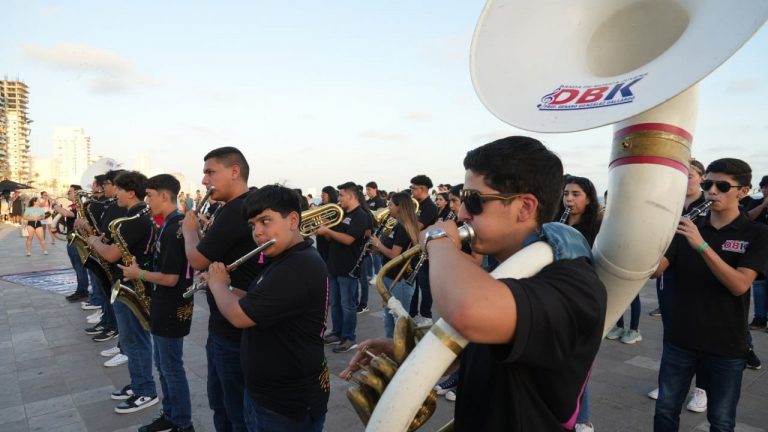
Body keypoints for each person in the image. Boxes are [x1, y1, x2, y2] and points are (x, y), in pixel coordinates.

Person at [343, 136, 607, 430]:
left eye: (473, 200)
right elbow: (484, 346)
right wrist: (410, 352)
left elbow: (469, 311)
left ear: (525, 207)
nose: (461, 213)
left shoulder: (573, 283)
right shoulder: (503, 269)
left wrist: (437, 239)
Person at [652, 158, 768, 431]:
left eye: (722, 185)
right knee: (666, 410)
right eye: (707, 184)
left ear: (743, 191)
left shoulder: (757, 233)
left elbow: (740, 284)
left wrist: (702, 246)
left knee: (721, 418)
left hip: (725, 345)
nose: (712, 191)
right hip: (680, 338)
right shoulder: (689, 227)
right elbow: (655, 271)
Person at [207, 185, 329, 432]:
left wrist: (218, 286)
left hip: (285, 404)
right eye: (253, 225)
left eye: (265, 221)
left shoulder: (297, 265)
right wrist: (226, 286)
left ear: (293, 220)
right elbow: (256, 300)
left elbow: (240, 316)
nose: (258, 233)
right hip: (267, 394)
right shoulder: (283, 258)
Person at [182, 147, 263, 432]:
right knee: (224, 404)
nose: (204, 180)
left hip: (232, 328)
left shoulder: (235, 210)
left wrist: (190, 230)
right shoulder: (239, 206)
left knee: (232, 410)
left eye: (210, 172)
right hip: (227, 320)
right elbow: (216, 254)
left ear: (234, 171)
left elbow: (197, 259)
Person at [121, 174, 195, 432]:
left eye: (150, 196)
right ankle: (171, 416)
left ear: (164, 196)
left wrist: (137, 274)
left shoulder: (175, 227)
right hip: (166, 306)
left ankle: (182, 424)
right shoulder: (170, 224)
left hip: (172, 307)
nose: (147, 201)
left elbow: (171, 277)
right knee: (164, 367)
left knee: (171, 368)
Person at [87, 171, 158, 414]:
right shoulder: (134, 217)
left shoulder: (135, 220)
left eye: (118, 189)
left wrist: (94, 241)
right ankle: (138, 383)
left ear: (130, 192)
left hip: (132, 286)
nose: (115, 193)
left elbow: (110, 255)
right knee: (129, 340)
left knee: (135, 341)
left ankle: (146, 390)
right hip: (125, 284)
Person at [558, 175, 603, 432]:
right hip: (557, 295)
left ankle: (583, 419)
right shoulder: (556, 222)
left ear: (588, 198)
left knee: (578, 364)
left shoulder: (596, 226)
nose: (569, 199)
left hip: (581, 298)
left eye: (576, 194)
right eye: (566, 194)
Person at [316, 181, 369, 353]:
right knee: (336, 303)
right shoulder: (342, 214)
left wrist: (328, 231)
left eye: (341, 195)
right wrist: (324, 229)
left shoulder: (360, 215)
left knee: (347, 304)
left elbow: (349, 239)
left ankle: (349, 337)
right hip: (334, 263)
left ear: (351, 196)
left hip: (348, 266)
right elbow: (334, 239)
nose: (339, 198)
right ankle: (337, 332)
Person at [370, 192, 420, 337]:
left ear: (400, 207)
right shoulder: (396, 225)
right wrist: (377, 250)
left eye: (390, 204)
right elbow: (390, 250)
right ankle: (391, 351)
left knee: (400, 323)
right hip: (391, 276)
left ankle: (400, 355)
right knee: (389, 321)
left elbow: (394, 254)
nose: (388, 207)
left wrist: (378, 243)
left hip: (400, 280)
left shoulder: (403, 227)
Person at [408, 174, 439, 326]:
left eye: (413, 188)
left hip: (425, 252)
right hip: (415, 250)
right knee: (413, 284)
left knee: (425, 286)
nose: (411, 191)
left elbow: (416, 227)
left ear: (422, 189)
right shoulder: (416, 205)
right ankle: (412, 313)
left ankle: (426, 315)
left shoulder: (429, 207)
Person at [53, 185, 91, 302]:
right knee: (77, 267)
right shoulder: (74, 206)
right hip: (72, 240)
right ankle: (80, 290)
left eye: (70, 191)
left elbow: (67, 214)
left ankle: (82, 291)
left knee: (79, 267)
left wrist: (54, 206)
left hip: (77, 241)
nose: (67, 193)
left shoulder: (80, 207)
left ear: (77, 193)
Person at [747, 174, 768, 330]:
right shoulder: (754, 202)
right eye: (765, 187)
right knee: (759, 285)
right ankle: (759, 318)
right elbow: (746, 219)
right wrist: (763, 206)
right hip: (758, 251)